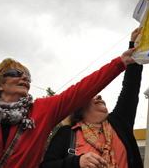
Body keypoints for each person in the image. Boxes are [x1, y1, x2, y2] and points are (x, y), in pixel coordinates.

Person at [0, 29, 138, 168]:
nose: (25, 78)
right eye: (17, 74)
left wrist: (120, 63)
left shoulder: (42, 111)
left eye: (28, 77)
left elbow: (82, 90)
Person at [40, 28, 143, 168]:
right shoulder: (67, 133)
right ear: (79, 108)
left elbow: (131, 86)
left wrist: (135, 45)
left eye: (98, 94)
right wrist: (77, 162)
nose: (99, 95)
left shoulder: (119, 122)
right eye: (91, 95)